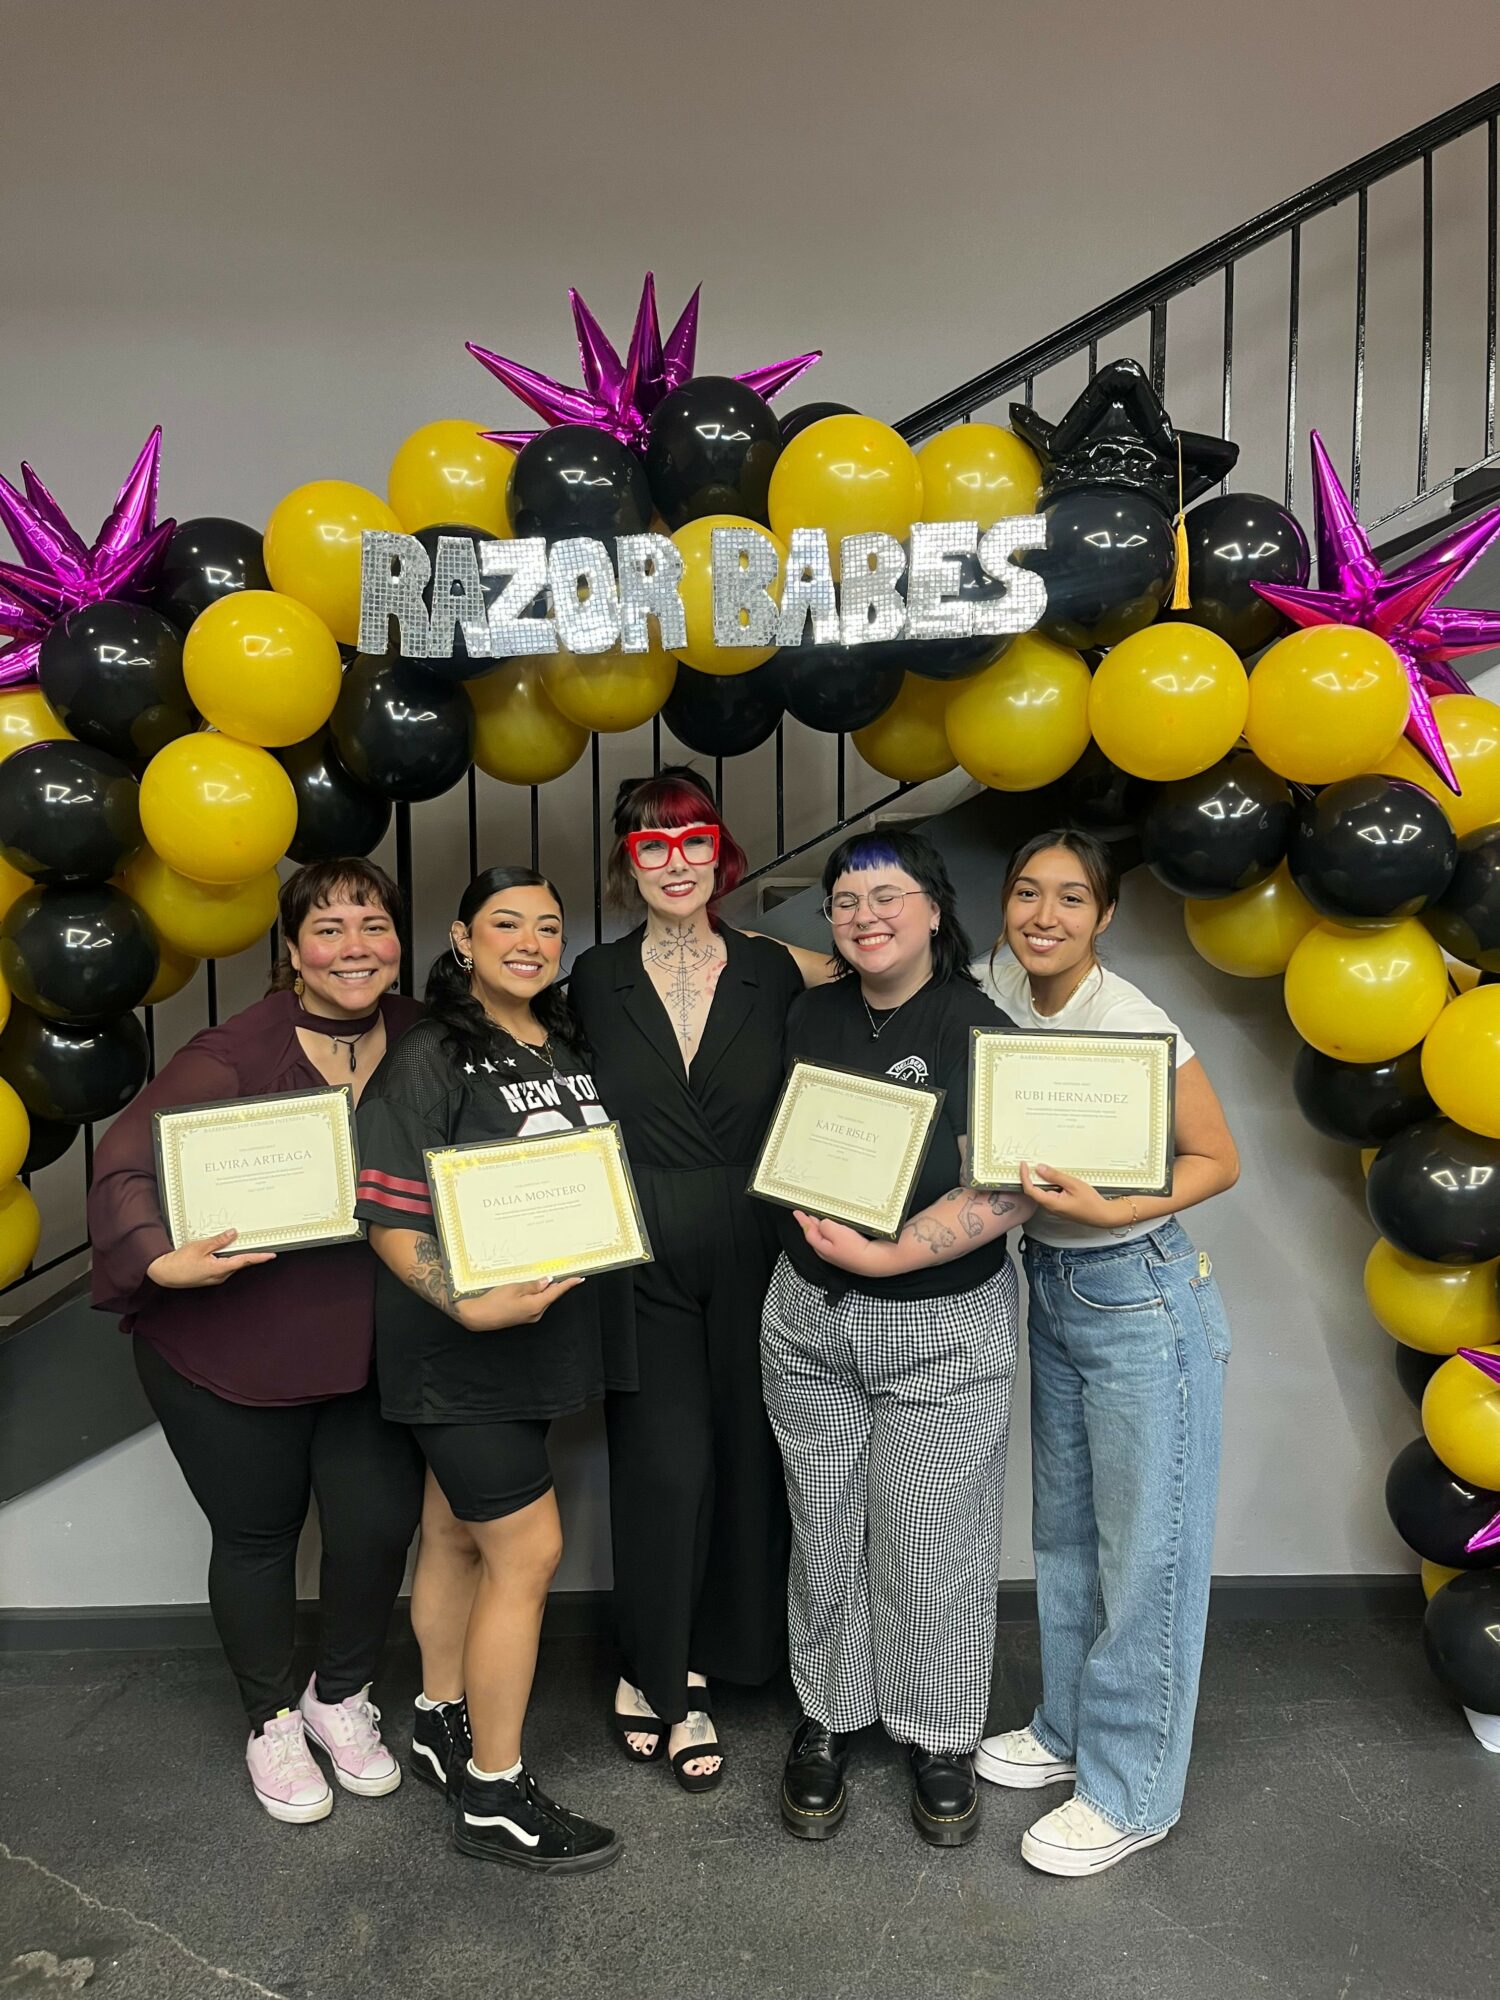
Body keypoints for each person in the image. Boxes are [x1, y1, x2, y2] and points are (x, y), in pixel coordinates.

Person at [88, 858, 425, 1825]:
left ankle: (339, 1696)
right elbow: (121, 1160)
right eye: (329, 930)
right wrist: (158, 1260)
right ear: (292, 951)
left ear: (399, 941)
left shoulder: (424, 1037)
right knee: (256, 1537)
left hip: (368, 1347)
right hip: (231, 1347)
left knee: (372, 1526)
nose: (354, 947)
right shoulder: (234, 1050)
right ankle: (270, 1718)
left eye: (373, 925)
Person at [354, 866, 635, 1875]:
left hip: (536, 1336)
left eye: (548, 925)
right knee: (527, 1553)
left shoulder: (560, 1041)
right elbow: (388, 1211)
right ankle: (493, 1792)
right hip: (457, 1347)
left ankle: (437, 1715)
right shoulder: (430, 1054)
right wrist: (462, 1297)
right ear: (463, 940)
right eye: (505, 922)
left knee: (451, 1530)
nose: (530, 938)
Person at [973, 827, 1238, 1878]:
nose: (1045, 915)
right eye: (1027, 892)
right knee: (1071, 1535)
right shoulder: (1003, 984)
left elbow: (1219, 1159)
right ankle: (1067, 1727)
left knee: (1148, 1555)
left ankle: (1132, 1791)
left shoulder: (1135, 1019)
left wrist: (1106, 1201)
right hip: (1053, 1288)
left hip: (1141, 1295)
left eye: (1071, 899)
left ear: (1105, 914)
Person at [761, 827, 1033, 1847]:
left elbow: (1006, 1185)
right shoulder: (809, 1013)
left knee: (932, 1539)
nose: (865, 915)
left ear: (931, 908)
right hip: (806, 1316)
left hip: (939, 1323)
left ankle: (938, 1733)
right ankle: (828, 1715)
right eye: (844, 901)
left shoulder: (978, 1023)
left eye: (887, 896)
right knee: (823, 1524)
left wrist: (890, 1257)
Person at [569, 766, 830, 1791]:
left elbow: (884, 972)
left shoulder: (774, 966)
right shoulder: (591, 975)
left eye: (691, 841)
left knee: (748, 1454)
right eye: (650, 844)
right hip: (644, 1242)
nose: (673, 862)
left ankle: (728, 1657)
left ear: (720, 854)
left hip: (760, 1239)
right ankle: (656, 1670)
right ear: (627, 861)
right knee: (662, 1462)